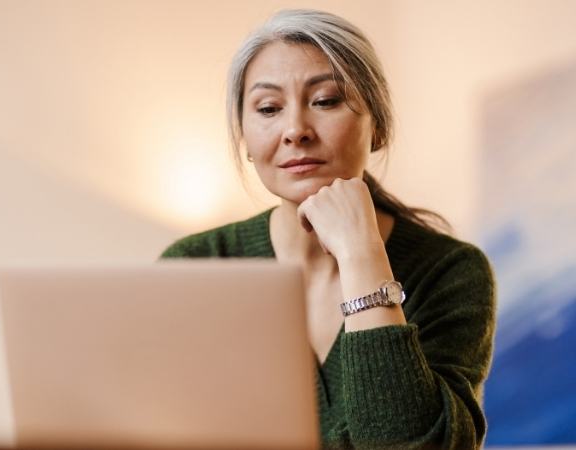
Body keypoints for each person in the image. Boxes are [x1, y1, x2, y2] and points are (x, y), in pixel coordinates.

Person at [161, 9, 496, 450]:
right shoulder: (195, 267)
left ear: (376, 127)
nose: (295, 130)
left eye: (325, 101)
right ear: (244, 138)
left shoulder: (451, 271)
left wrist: (362, 255)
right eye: (268, 108)